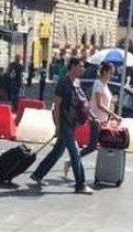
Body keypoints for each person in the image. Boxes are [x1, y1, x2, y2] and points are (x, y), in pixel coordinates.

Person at [30, 58, 95, 195]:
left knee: (57, 152)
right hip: (65, 124)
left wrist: (93, 117)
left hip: (72, 124)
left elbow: (83, 104)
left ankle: (38, 174)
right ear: (73, 67)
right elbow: (57, 105)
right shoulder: (63, 82)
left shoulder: (76, 83)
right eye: (81, 66)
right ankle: (80, 185)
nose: (83, 69)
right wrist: (58, 126)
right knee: (75, 154)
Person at [63, 62, 122, 176]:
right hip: (96, 119)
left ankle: (104, 170)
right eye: (111, 72)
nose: (112, 75)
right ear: (104, 72)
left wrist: (113, 102)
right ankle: (71, 162)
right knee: (92, 146)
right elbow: (99, 104)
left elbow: (104, 101)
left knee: (102, 146)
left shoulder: (104, 85)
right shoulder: (99, 84)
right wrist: (114, 115)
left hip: (103, 120)